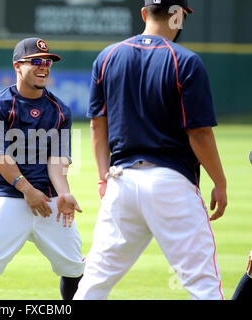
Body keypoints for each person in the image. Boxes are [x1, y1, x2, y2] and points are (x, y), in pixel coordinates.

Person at [74, 0, 227, 300]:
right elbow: (198, 133)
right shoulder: (185, 61)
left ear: (144, 13)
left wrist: (103, 176)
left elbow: (97, 126)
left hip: (121, 182)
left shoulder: (108, 57)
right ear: (177, 15)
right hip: (171, 187)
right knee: (204, 286)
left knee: (93, 284)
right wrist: (219, 182)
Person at [0, 38, 85, 300]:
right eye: (37, 62)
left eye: (48, 62)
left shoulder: (60, 110)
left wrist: (63, 193)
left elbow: (57, 160)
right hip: (9, 195)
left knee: (75, 267)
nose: (44, 67)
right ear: (18, 66)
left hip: (49, 198)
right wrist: (26, 189)